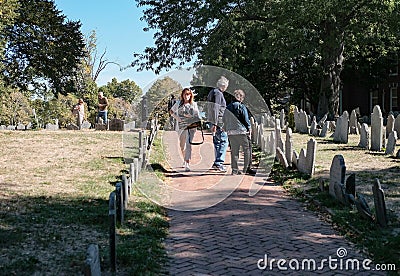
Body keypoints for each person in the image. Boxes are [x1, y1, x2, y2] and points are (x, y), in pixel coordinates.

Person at [224, 89, 256, 175]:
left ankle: (234, 170)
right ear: (240, 97)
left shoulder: (228, 107)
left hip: (231, 132)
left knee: (234, 151)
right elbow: (245, 119)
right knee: (247, 149)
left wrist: (226, 127)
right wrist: (249, 128)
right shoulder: (241, 106)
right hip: (241, 131)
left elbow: (224, 119)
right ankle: (247, 168)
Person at [170, 88, 199, 172]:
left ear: (191, 95)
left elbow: (197, 115)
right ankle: (184, 159)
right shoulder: (178, 103)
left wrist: (191, 116)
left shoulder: (193, 104)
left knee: (188, 144)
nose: (187, 96)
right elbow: (171, 111)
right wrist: (177, 118)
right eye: (185, 94)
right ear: (182, 95)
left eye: (188, 94)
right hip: (181, 127)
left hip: (191, 127)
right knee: (182, 146)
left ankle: (187, 163)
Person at [207, 76, 229, 172]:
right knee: (224, 141)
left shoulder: (212, 92)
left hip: (214, 121)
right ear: (223, 86)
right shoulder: (218, 94)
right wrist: (215, 124)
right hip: (219, 122)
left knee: (217, 142)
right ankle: (219, 163)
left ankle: (217, 162)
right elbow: (216, 108)